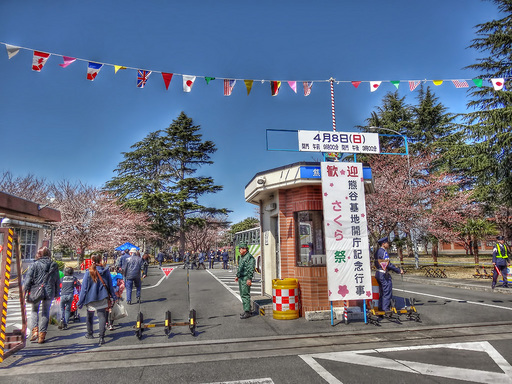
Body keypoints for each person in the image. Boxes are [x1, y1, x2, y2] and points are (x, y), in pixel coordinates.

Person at [23, 246, 61, 343]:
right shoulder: (54, 265)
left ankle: (35, 331)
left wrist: (24, 291)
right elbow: (57, 280)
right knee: (45, 312)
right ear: (48, 254)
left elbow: (28, 279)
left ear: (39, 254)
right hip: (49, 291)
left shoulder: (34, 265)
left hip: (36, 290)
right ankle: (42, 336)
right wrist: (57, 293)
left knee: (34, 310)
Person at [77, 253, 115, 346]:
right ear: (100, 260)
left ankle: (90, 334)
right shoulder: (106, 271)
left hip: (90, 297)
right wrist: (114, 297)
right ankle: (101, 337)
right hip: (103, 296)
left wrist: (80, 301)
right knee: (101, 316)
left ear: (92, 260)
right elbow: (110, 285)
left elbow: (84, 288)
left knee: (89, 316)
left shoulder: (88, 271)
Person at [374, 237, 403, 312]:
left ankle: (381, 307)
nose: (388, 244)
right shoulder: (383, 252)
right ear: (383, 244)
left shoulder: (377, 251)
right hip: (383, 274)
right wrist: (398, 270)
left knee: (382, 292)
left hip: (378, 273)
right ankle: (385, 309)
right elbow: (387, 264)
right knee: (387, 291)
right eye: (387, 243)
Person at [234, 243, 255, 319]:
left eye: (240, 249)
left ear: (244, 249)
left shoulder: (249, 258)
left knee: (245, 294)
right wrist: (237, 276)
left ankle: (247, 311)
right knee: (243, 294)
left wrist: (249, 279)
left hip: (246, 278)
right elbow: (240, 267)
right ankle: (247, 309)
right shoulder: (243, 257)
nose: (239, 250)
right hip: (242, 277)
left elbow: (250, 269)